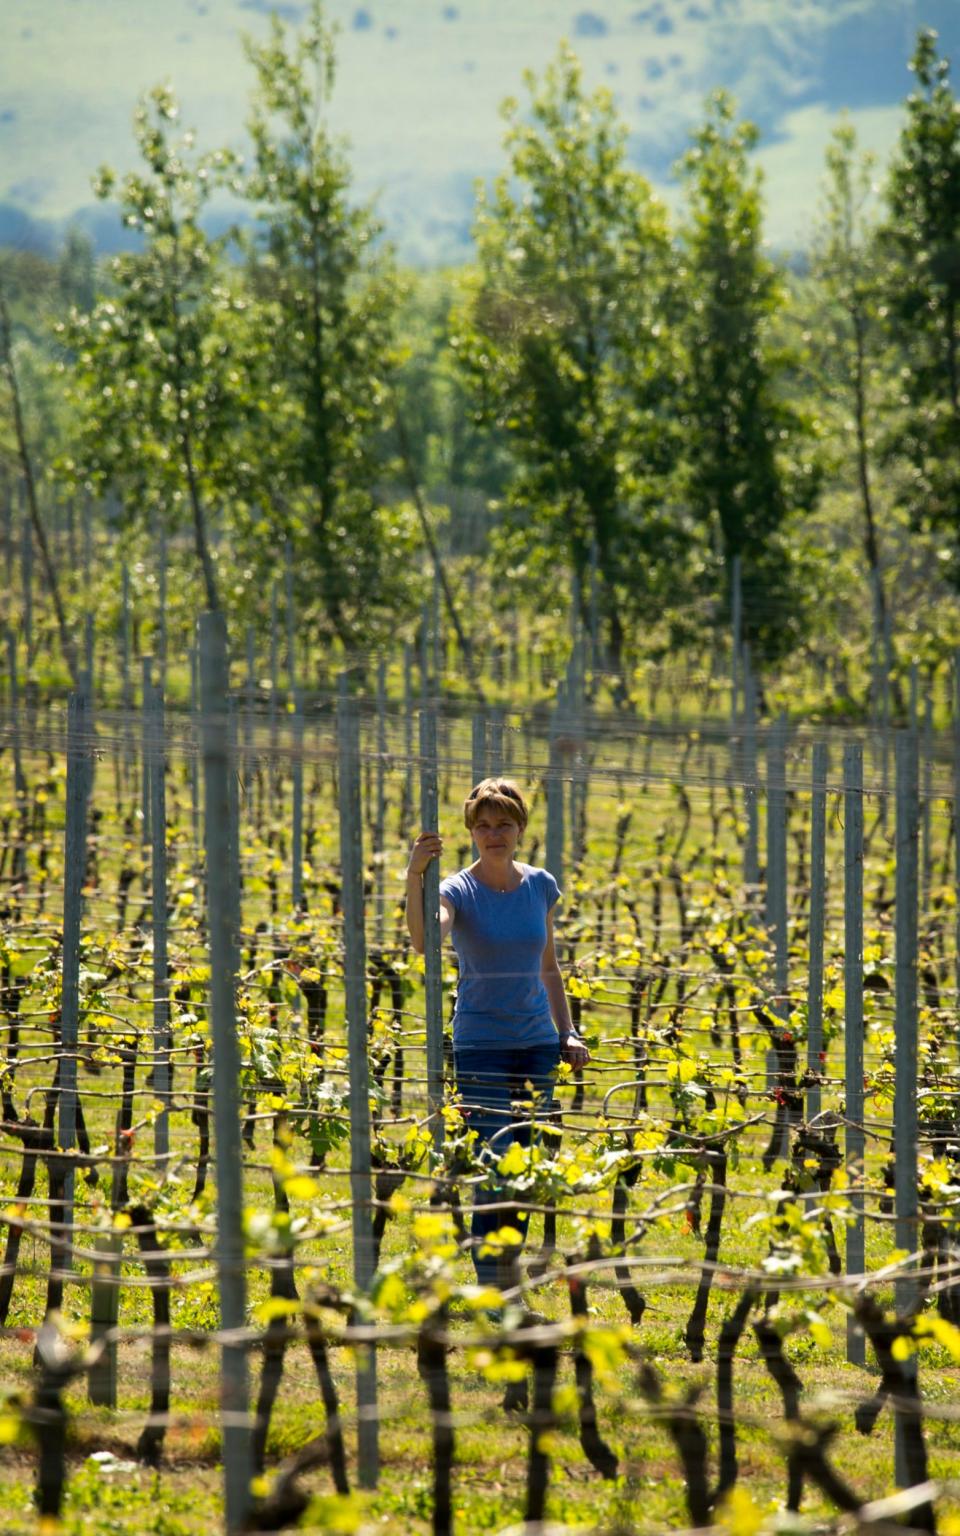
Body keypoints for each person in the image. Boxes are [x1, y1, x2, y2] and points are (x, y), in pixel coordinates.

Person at [405, 776, 590, 1286]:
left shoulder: (540, 885)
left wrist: (567, 1032)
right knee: (496, 1161)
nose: (493, 834)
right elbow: (425, 942)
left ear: (520, 828)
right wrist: (415, 877)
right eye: (483, 825)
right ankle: (493, 1281)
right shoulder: (455, 890)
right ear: (471, 832)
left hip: (535, 1046)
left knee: (526, 1170)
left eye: (503, 824)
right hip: (481, 1044)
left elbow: (549, 967)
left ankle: (507, 1280)